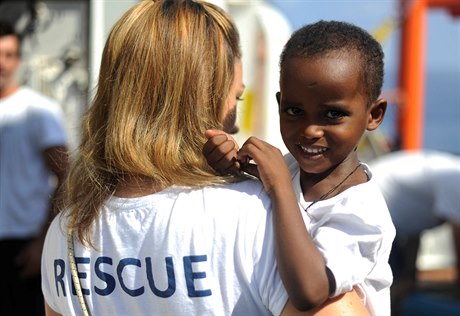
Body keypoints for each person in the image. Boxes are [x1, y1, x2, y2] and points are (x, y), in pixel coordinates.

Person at [40, 1, 369, 315]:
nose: (236, 122)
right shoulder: (258, 215)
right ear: (201, 101)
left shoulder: (65, 232)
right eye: (234, 99)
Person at [203, 20, 396, 315]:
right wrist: (227, 167)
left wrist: (279, 186)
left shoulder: (363, 214)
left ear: (374, 115)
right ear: (280, 104)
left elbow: (310, 291)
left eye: (333, 114)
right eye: (294, 111)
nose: (310, 131)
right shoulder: (293, 169)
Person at [0, 20, 69, 316]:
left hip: (21, 251)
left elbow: (67, 175)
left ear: (18, 60)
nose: (2, 64)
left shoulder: (37, 110)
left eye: (9, 55)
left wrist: (44, 241)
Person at [369, 149, 460, 315]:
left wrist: (410, 276)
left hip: (391, 220)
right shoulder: (455, 180)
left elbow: (416, 226)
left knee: (399, 288)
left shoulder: (449, 173)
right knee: (384, 293)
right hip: (372, 214)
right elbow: (458, 235)